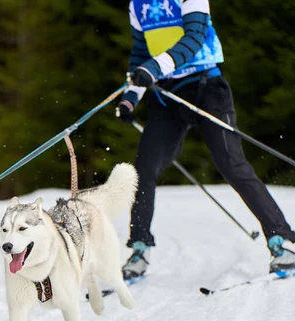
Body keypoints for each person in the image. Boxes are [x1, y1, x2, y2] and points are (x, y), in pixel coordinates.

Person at [116, 0, 295, 279]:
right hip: (168, 96)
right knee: (143, 170)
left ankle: (282, 240)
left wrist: (153, 67)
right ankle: (140, 246)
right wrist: (131, 97)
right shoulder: (137, 4)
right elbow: (140, 54)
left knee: (230, 164)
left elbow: (194, 37)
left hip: (206, 87)